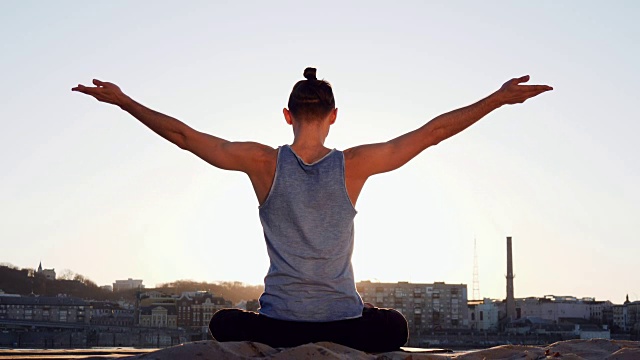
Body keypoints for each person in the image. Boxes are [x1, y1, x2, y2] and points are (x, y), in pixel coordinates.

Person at [72, 68, 552, 352]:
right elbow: (430, 133)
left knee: (223, 322)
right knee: (395, 326)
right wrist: (496, 99)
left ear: (287, 115)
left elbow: (185, 137)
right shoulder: (354, 166)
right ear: (333, 116)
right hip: (345, 325)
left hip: (279, 325)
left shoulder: (261, 162)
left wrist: (122, 101)